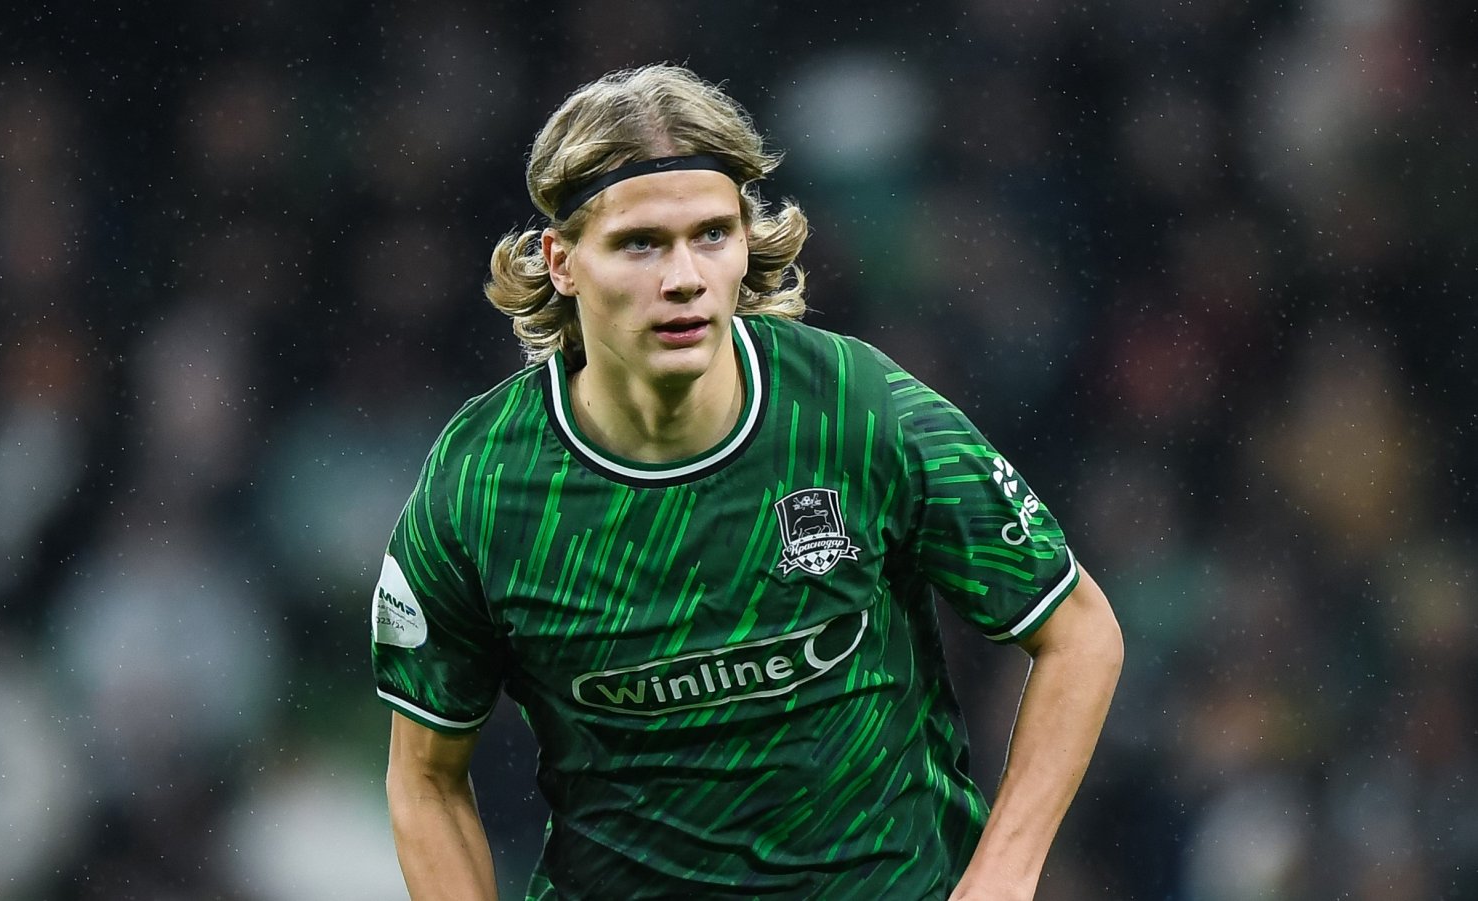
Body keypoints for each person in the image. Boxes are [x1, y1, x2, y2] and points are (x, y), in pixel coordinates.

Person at [373, 63, 1124, 901]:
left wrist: (1004, 875)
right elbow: (426, 778)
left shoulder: (858, 411)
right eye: (640, 243)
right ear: (562, 262)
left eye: (711, 234)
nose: (684, 277)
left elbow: (1080, 633)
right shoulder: (481, 485)